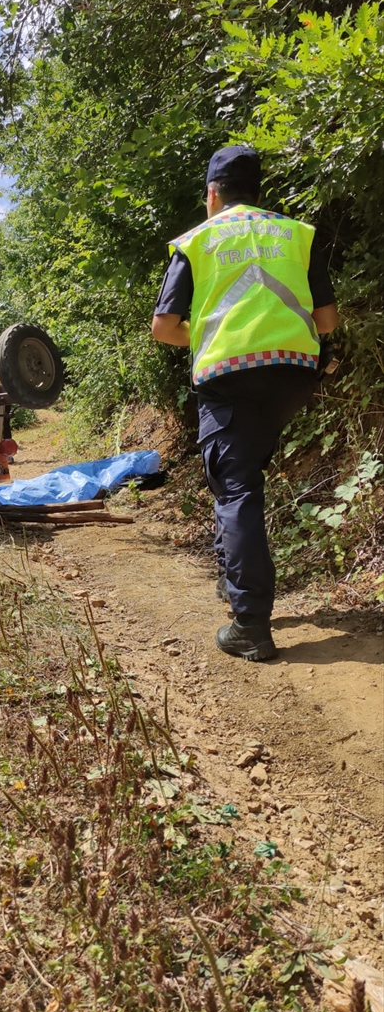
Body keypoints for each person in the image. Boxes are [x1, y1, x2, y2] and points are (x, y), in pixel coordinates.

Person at [152, 145, 338, 661]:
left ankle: (251, 625)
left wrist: (212, 333)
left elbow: (164, 328)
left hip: (228, 378)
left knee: (235, 491)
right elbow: (326, 322)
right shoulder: (295, 234)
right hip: (292, 375)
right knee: (245, 479)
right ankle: (231, 577)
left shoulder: (198, 240)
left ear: (212, 194)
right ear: (259, 193)